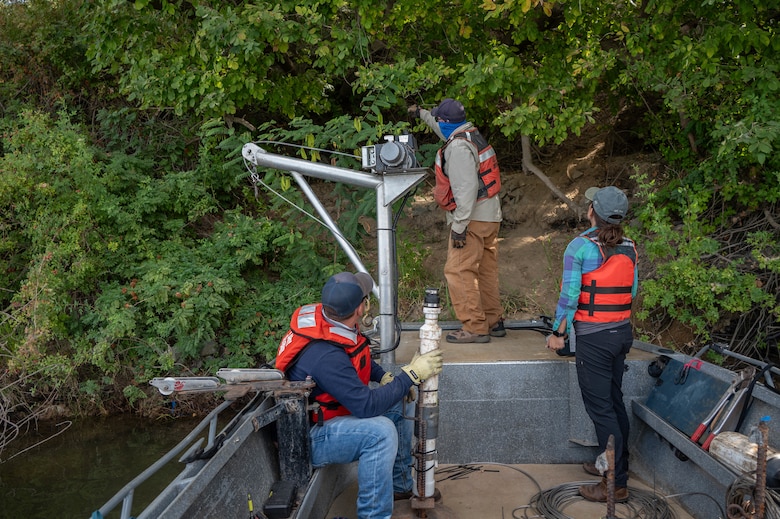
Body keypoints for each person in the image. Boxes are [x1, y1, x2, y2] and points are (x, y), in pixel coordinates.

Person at [275, 271, 443, 519]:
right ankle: (373, 515)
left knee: (398, 399)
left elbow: (357, 353)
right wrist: (411, 375)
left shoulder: (333, 320)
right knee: (381, 433)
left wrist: (383, 376)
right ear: (360, 308)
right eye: (366, 298)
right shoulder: (325, 355)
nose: (367, 302)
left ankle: (399, 486)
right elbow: (365, 406)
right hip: (309, 438)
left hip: (327, 415)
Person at [546, 186, 638, 503]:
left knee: (601, 410)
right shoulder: (630, 247)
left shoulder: (580, 248)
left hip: (594, 339)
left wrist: (558, 333)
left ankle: (614, 482)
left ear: (591, 212)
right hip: (622, 334)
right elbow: (632, 291)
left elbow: (570, 298)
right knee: (613, 401)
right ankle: (617, 464)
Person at [408, 98, 504, 343]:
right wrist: (421, 112)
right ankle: (493, 321)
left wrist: (459, 227)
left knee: (459, 271)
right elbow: (441, 127)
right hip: (490, 216)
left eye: (438, 118)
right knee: (484, 271)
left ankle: (474, 327)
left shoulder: (458, 149)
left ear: (446, 121)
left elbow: (466, 190)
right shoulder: (469, 134)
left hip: (471, 218)